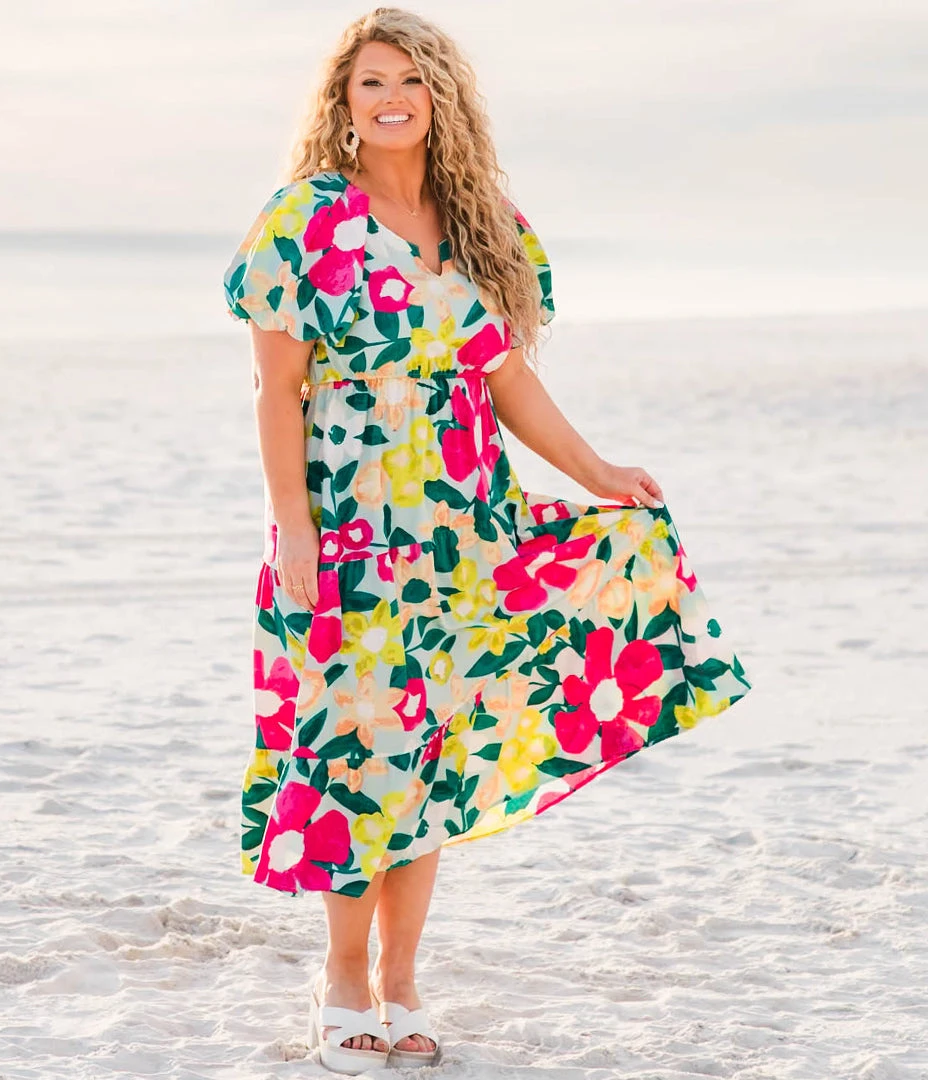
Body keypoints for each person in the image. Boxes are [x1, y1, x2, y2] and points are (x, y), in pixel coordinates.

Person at [222, 7, 752, 1073]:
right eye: (371, 83)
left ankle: (403, 981)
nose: (392, 99)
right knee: (353, 753)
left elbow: (507, 379)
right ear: (343, 103)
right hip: (354, 530)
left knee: (429, 758)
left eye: (411, 81)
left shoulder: (483, 224)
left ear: (442, 99)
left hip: (468, 532)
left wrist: (597, 472)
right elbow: (277, 392)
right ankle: (343, 979)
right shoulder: (305, 221)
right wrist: (294, 528)